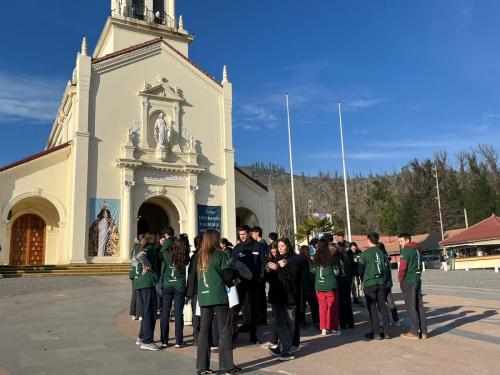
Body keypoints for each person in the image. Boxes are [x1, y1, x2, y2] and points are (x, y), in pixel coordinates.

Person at [196, 230, 241, 375]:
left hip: (203, 297)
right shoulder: (220, 255)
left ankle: (202, 367)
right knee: (224, 330)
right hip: (218, 296)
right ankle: (227, 366)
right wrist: (235, 274)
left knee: (203, 332)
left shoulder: (200, 256)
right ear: (215, 239)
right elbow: (227, 276)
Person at [266, 238, 299, 361]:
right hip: (276, 295)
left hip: (289, 296)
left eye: (282, 245)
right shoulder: (275, 259)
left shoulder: (292, 259)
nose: (279, 248)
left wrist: (278, 268)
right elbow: (271, 279)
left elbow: (292, 277)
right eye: (278, 246)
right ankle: (284, 348)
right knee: (280, 323)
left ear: (287, 246)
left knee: (289, 323)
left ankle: (287, 349)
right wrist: (268, 270)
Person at [231, 225, 265, 344]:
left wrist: (260, 278)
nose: (242, 237)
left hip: (254, 283)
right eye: (240, 235)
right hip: (240, 284)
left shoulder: (258, 247)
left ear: (249, 233)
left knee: (253, 309)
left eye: (244, 234)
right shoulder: (236, 249)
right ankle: (232, 333)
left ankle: (253, 335)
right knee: (236, 308)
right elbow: (233, 266)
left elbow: (262, 264)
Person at [358, 232, 391, 340]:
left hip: (370, 283)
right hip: (381, 283)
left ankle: (376, 333)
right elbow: (386, 269)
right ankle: (387, 332)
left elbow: (360, 270)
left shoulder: (365, 254)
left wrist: (364, 280)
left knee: (372, 307)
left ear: (369, 240)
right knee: (383, 306)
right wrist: (383, 280)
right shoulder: (382, 253)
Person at [160, 235, 190, 348]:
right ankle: (178, 340)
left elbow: (162, 250)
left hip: (168, 284)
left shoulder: (167, 254)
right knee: (178, 313)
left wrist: (168, 240)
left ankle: (164, 340)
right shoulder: (185, 256)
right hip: (179, 286)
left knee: (165, 313)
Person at [398, 233, 428, 340]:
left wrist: (400, 280)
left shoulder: (406, 250)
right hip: (417, 279)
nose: (400, 243)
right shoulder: (417, 250)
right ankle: (423, 331)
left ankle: (414, 332)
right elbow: (420, 266)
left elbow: (402, 268)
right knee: (419, 306)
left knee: (411, 306)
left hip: (409, 281)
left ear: (407, 240)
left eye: (401, 241)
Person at [134, 231, 160, 351]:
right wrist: (147, 265)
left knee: (145, 311)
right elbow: (139, 257)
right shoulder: (150, 248)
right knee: (150, 311)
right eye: (158, 236)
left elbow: (133, 259)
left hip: (140, 282)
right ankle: (147, 340)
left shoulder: (141, 246)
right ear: (153, 238)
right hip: (148, 283)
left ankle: (141, 337)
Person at [313, 240, 340, 336]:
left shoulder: (315, 258)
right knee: (332, 307)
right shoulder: (331, 258)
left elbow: (313, 271)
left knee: (322, 308)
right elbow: (337, 272)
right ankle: (334, 329)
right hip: (330, 285)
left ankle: (324, 328)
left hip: (319, 286)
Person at [378, 243, 400, 326]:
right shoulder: (386, 257)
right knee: (391, 303)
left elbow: (382, 272)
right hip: (388, 284)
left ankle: (385, 321)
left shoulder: (381, 258)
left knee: (381, 303)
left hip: (382, 284)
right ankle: (396, 320)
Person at [298, 245, 319, 328]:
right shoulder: (310, 261)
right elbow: (313, 274)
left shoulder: (299, 261)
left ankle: (301, 321)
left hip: (301, 287)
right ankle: (316, 321)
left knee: (302, 305)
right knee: (313, 305)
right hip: (310, 287)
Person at [186, 235, 202, 345]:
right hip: (202, 289)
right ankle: (198, 337)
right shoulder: (199, 256)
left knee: (196, 314)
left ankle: (197, 337)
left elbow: (191, 276)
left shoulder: (195, 256)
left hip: (196, 290)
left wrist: (189, 293)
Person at [336, 244, 355, 329]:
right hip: (347, 280)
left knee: (341, 303)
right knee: (347, 302)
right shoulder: (346, 257)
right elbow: (350, 269)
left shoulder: (336, 258)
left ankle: (343, 324)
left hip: (340, 281)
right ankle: (351, 323)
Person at [129, 234, 144, 320]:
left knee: (135, 293)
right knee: (140, 293)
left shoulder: (134, 248)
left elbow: (132, 258)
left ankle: (134, 314)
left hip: (133, 272)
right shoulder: (140, 248)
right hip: (138, 272)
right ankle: (140, 313)